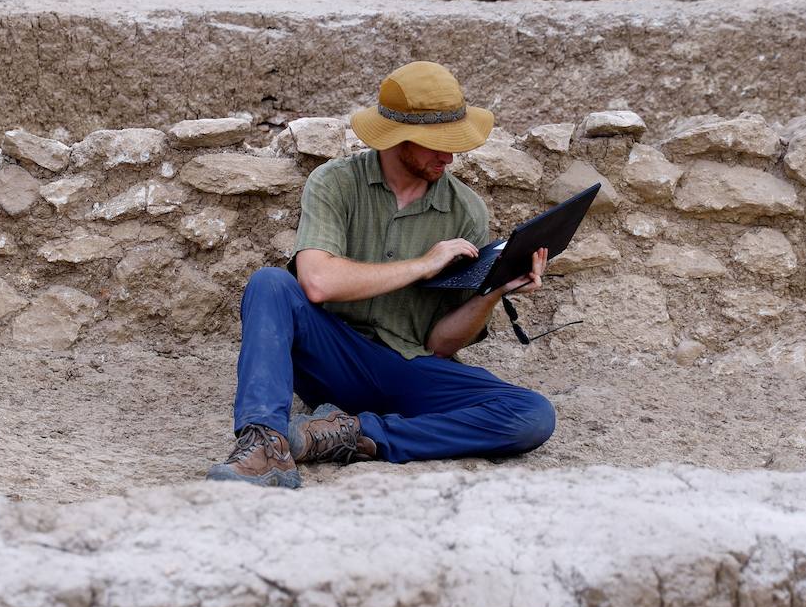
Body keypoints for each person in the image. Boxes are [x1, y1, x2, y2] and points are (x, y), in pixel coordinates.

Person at [206, 61, 556, 488]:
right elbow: (317, 283)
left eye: (454, 142)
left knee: (531, 416)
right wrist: (424, 264)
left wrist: (493, 291)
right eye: (434, 144)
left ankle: (347, 436)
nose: (448, 156)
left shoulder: (466, 211)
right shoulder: (333, 183)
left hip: (410, 367)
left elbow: (440, 343)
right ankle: (263, 444)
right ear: (396, 137)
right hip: (332, 359)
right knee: (270, 283)